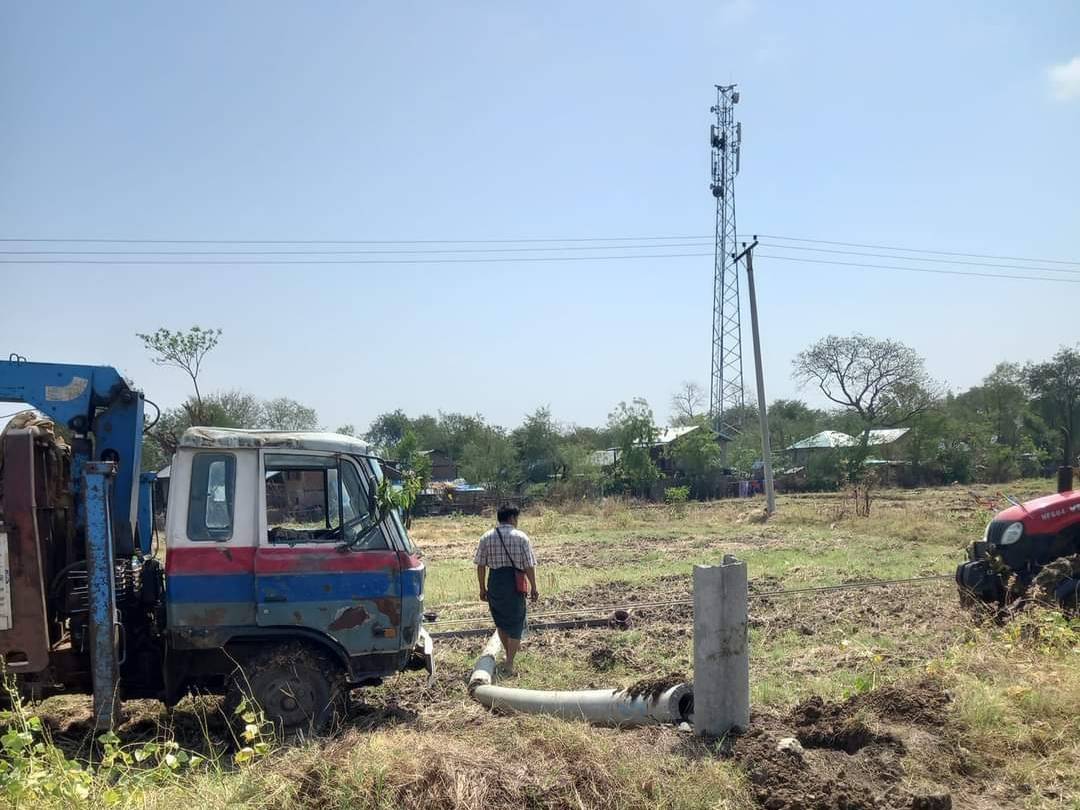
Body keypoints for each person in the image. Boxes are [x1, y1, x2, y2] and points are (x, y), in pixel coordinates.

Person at [473, 504, 538, 675]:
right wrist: (534, 587)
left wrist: (482, 588)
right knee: (516, 621)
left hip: (495, 582)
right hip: (515, 583)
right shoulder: (521, 537)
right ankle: (509, 662)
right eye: (516, 518)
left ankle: (508, 656)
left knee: (500, 621)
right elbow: (529, 566)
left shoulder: (486, 537)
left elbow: (480, 565)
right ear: (512, 518)